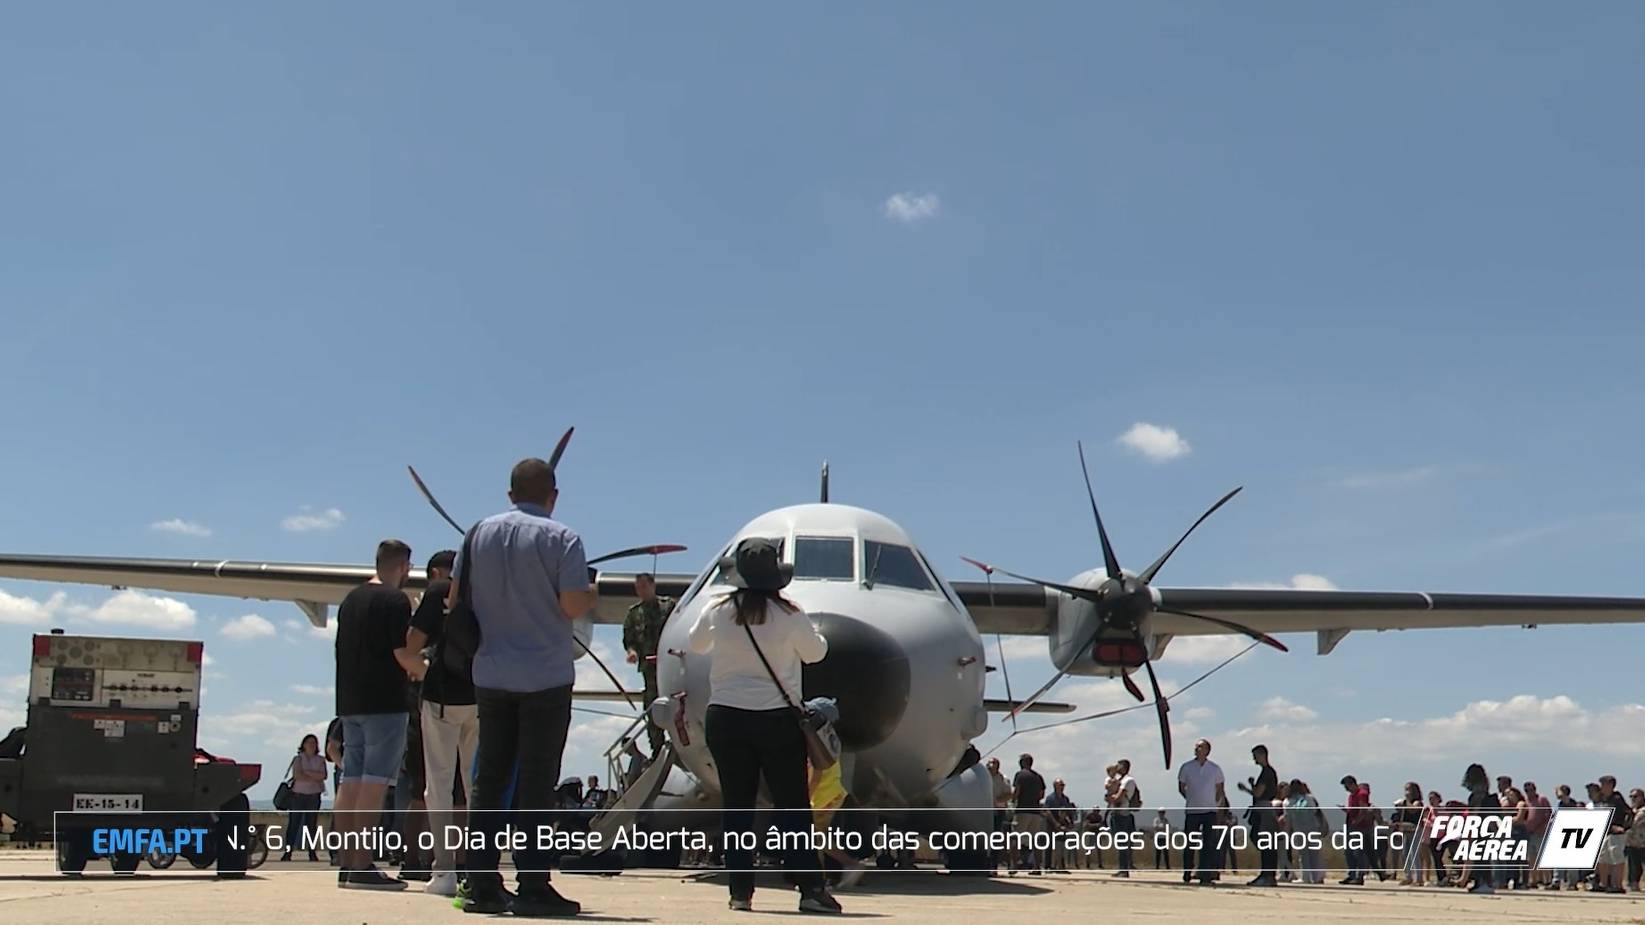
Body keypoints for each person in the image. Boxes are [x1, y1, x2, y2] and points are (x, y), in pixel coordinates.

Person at [455, 458, 595, 917]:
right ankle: (533, 884)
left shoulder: (476, 535)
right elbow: (572, 605)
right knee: (537, 782)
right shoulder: (563, 539)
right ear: (553, 495)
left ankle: (479, 883)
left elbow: (458, 601)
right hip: (546, 677)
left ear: (509, 493)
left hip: (491, 673)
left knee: (488, 780)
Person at [687, 536, 839, 914]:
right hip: (776, 720)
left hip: (726, 717)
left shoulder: (719, 611)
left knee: (737, 807)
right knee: (793, 807)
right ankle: (809, 890)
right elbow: (816, 653)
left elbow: (696, 644)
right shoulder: (789, 614)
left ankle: (740, 894)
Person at [333, 539, 422, 890]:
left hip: (350, 701)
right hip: (384, 700)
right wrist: (424, 669)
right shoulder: (395, 600)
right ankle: (363, 864)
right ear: (404, 566)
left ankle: (346, 863)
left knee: (350, 781)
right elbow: (402, 653)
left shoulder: (350, 599)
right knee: (374, 782)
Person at [405, 549, 478, 897]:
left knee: (439, 784)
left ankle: (444, 871)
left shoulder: (436, 592)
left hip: (441, 698)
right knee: (476, 784)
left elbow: (409, 647)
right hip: (482, 698)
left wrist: (425, 670)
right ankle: (480, 867)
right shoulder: (486, 591)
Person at [623, 573, 676, 759]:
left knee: (676, 704)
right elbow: (629, 640)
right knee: (652, 707)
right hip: (649, 669)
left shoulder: (668, 606)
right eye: (638, 588)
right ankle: (657, 748)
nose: (640, 591)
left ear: (653, 586)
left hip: (670, 667)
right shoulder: (634, 614)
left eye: (644, 586)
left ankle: (680, 743)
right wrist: (632, 652)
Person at [1177, 738, 1225, 886]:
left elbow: (1220, 788)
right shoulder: (1186, 767)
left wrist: (1215, 803)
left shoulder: (1215, 768)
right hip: (1192, 810)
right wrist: (1190, 798)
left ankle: (1205, 874)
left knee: (1207, 844)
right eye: (1196, 747)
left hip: (1209, 811)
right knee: (1189, 842)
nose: (1197, 749)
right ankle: (1187, 871)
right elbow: (1181, 786)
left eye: (1200, 747)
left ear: (1207, 750)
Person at [280, 734, 327, 862]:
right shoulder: (298, 759)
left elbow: (323, 776)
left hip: (314, 795)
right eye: (309, 742)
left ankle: (312, 853)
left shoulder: (320, 759)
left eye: (314, 743)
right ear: (304, 745)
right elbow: (297, 775)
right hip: (298, 795)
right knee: (293, 824)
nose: (312, 745)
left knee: (311, 826)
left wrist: (306, 772)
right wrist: (313, 776)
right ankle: (287, 853)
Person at [1239, 744, 1279, 886]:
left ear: (1262, 755)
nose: (1254, 759)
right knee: (1264, 841)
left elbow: (1258, 793)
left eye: (1255, 755)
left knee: (1263, 840)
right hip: (1265, 809)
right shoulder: (1268, 772)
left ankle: (1267, 874)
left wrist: (1246, 789)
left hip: (1264, 810)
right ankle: (1267, 874)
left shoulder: (1267, 772)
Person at [1461, 764, 1502, 894]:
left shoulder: (1477, 794)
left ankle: (1483, 882)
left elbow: (1476, 811)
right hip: (1487, 826)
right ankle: (1483, 882)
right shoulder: (1484, 790)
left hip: (1481, 827)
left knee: (1480, 856)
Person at [1012, 754, 1048, 875]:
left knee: (1015, 838)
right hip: (1035, 811)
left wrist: (1013, 800)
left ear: (1022, 762)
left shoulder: (1020, 775)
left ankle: (1015, 864)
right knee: (1035, 840)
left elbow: (1017, 791)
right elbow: (1042, 794)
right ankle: (1037, 867)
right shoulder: (1038, 777)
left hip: (1022, 810)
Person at [1596, 775, 1631, 893]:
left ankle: (1618, 884)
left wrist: (1624, 827)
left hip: (1616, 834)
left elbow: (1629, 813)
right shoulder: (1604, 799)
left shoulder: (1617, 799)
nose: (1601, 787)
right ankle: (1603, 883)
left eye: (1603, 784)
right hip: (1606, 832)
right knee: (1603, 858)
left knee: (1617, 858)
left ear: (1610, 785)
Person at [1285, 780, 1324, 884]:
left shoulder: (1288, 802)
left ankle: (1306, 877)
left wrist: (1287, 834)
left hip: (1299, 830)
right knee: (1315, 854)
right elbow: (1316, 813)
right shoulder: (1310, 799)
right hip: (1312, 829)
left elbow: (1288, 819)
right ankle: (1318, 877)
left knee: (1303, 855)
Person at [1339, 775, 1373, 886]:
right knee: (1349, 852)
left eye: (1346, 786)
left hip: (1360, 827)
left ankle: (1360, 875)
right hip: (1350, 825)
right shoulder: (1351, 796)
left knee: (1358, 852)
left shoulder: (1361, 794)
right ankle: (1352, 874)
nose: (1346, 788)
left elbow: (1363, 810)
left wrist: (1357, 822)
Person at [1108, 759, 1139, 878]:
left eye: (1119, 765)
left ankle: (1124, 869)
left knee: (1122, 842)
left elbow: (1118, 797)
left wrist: (1112, 797)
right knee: (1120, 842)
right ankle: (1122, 868)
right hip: (1117, 813)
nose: (1116, 767)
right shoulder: (1119, 780)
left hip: (1122, 814)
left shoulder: (1128, 781)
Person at [1044, 779, 1076, 873]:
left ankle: (1061, 866)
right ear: (1055, 786)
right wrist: (1055, 823)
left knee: (1061, 845)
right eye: (1060, 785)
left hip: (1062, 824)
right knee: (1049, 845)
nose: (1062, 787)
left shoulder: (1065, 798)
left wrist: (1071, 822)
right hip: (1051, 823)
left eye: (1063, 785)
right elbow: (1047, 811)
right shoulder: (1050, 798)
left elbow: (1068, 811)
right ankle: (1048, 866)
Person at [1624, 788, 1645, 893]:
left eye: (1635, 797)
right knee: (1634, 866)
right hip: (1632, 842)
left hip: (1643, 842)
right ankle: (1633, 885)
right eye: (1631, 797)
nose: (1633, 799)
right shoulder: (1630, 810)